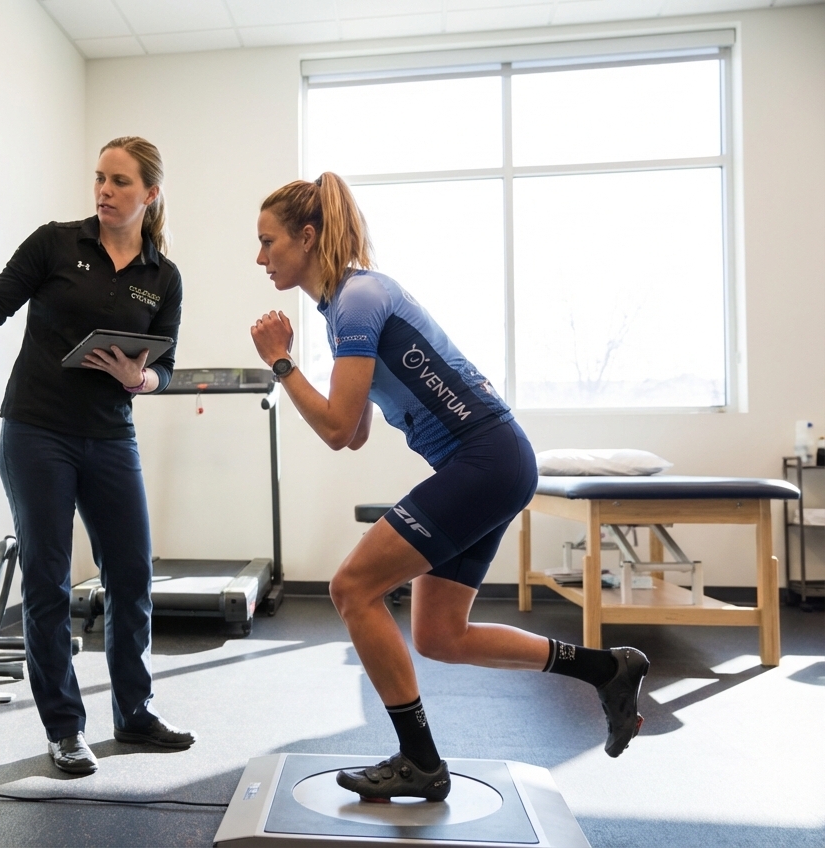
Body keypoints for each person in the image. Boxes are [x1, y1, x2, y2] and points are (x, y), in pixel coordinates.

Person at [249, 172, 649, 801]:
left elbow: (331, 430)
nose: (260, 256)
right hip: (490, 462)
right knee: (440, 635)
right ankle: (606, 668)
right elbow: (352, 432)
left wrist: (280, 363)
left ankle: (420, 760)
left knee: (351, 587)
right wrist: (298, 365)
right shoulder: (341, 311)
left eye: (268, 241)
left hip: (485, 459)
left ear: (306, 236)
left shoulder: (359, 297)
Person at [0, 136, 195, 776]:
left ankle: (134, 713)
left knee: (131, 577)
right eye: (100, 178)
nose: (104, 191)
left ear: (150, 195)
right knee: (47, 583)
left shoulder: (163, 277)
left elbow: (168, 367)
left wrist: (141, 379)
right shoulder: (55, 243)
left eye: (120, 182)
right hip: (37, 431)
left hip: (110, 435)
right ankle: (64, 729)